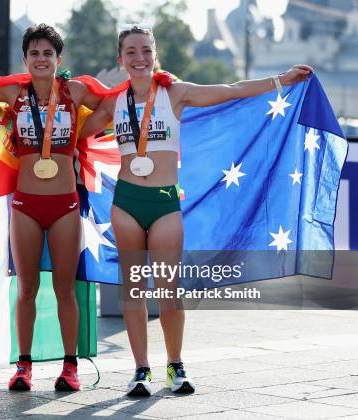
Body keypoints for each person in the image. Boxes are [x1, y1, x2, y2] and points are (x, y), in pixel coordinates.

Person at [80, 25, 313, 396]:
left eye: (145, 50)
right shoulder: (113, 102)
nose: (139, 58)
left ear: (155, 54)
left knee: (169, 290)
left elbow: (231, 90)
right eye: (131, 52)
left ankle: (175, 365)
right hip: (125, 203)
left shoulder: (175, 92)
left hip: (164, 202)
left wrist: (280, 80)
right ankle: (140, 369)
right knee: (134, 289)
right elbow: (77, 136)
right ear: (120, 59)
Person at [0, 24, 102, 391]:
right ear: (25, 60)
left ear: (59, 59)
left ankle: (70, 366)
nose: (41, 59)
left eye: (48, 53)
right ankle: (23, 366)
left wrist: (88, 127)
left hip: (65, 205)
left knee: (65, 288)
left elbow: (114, 101)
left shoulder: (74, 92)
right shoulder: (15, 93)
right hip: (25, 205)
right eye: (34, 53)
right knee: (26, 288)